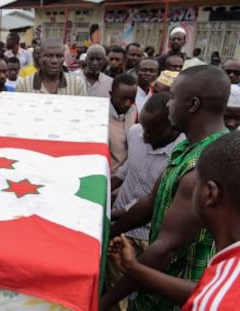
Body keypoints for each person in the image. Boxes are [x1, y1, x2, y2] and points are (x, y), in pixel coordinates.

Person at [101, 65, 231, 311]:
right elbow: (152, 202)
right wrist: (108, 231)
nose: (167, 104)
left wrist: (106, 300)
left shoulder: (202, 167)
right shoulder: (187, 148)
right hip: (158, 286)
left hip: (177, 295)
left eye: (173, 98)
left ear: (192, 105)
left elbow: (164, 249)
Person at [109, 131, 240, 311]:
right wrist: (133, 267)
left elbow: (210, 297)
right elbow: (205, 289)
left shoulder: (212, 304)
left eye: (196, 184)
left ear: (210, 193)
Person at [107, 92, 184, 311]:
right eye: (143, 126)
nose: (144, 134)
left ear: (173, 128)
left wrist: (112, 215)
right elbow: (126, 170)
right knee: (116, 293)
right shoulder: (135, 133)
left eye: (152, 130)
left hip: (153, 239)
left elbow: (153, 200)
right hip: (122, 233)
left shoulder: (180, 154)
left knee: (143, 294)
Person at [16, 38, 86, 96]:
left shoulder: (77, 84)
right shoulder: (24, 85)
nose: (54, 61)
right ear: (40, 58)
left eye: (59, 56)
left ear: (63, 58)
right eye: (49, 56)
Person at [108, 73, 138, 175]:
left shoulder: (133, 111)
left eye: (132, 99)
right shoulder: (102, 117)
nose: (128, 103)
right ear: (111, 94)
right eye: (123, 98)